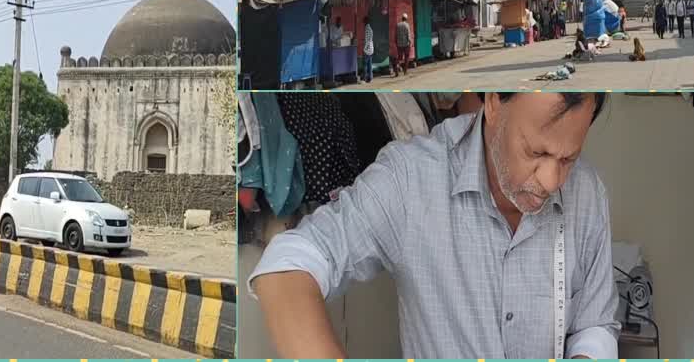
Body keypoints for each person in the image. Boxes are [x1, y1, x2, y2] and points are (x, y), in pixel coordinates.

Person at [250, 93, 619, 359]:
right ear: (493, 103)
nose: (552, 180)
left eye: (568, 157)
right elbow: (289, 262)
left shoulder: (586, 193)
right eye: (536, 153)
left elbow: (596, 322)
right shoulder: (411, 178)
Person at [361, 17, 374, 83]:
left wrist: (364, 49)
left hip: (367, 49)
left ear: (366, 21)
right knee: (369, 64)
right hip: (371, 49)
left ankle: (364, 79)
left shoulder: (367, 29)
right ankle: (370, 78)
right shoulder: (370, 28)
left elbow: (367, 41)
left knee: (365, 64)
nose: (363, 23)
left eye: (364, 21)